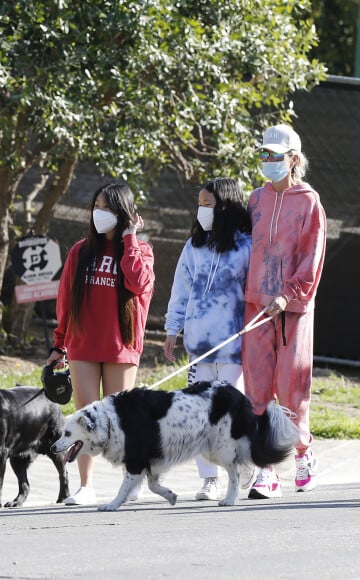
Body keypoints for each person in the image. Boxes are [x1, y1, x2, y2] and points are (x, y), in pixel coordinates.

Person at [46, 182, 155, 506]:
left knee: (122, 418)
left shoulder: (140, 250)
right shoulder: (80, 250)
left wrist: (130, 237)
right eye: (97, 206)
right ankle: (86, 486)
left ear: (123, 213)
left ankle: (132, 482)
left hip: (121, 346)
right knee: (84, 419)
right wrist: (59, 345)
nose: (99, 213)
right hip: (82, 346)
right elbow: (65, 300)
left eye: (107, 208)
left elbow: (138, 283)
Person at [242, 124, 326, 499]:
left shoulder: (309, 201)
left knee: (291, 387)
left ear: (293, 159)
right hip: (255, 307)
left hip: (292, 311)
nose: (267, 161)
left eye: (275, 155)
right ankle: (266, 470)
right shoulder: (255, 199)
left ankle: (303, 452)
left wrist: (289, 294)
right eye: (264, 154)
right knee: (257, 389)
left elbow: (313, 255)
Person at [163, 177, 253, 500]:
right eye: (199, 204)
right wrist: (172, 328)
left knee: (230, 410)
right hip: (199, 346)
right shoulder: (194, 246)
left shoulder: (246, 246)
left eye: (208, 204)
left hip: (232, 347)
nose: (201, 210)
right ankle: (209, 479)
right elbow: (180, 289)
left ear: (226, 206)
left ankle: (241, 464)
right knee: (199, 412)